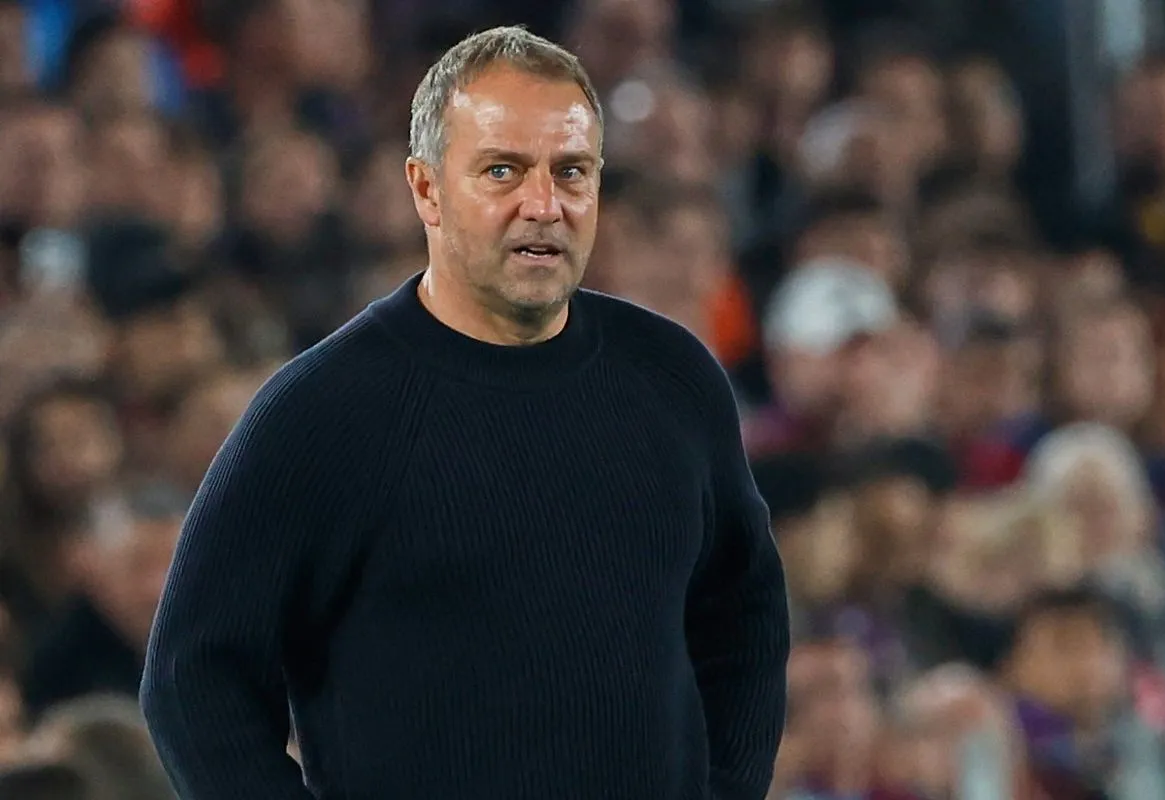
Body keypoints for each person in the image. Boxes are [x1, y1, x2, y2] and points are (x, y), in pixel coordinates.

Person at [140, 24, 791, 800]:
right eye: (502, 171)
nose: (543, 205)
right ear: (426, 190)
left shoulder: (674, 376)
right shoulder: (321, 412)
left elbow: (744, 609)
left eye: (571, 171)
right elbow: (191, 679)